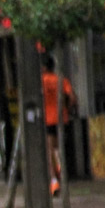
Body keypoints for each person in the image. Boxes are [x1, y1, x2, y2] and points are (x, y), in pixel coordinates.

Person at [42, 56, 75, 197]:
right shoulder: (62, 80)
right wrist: (66, 108)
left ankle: (54, 181)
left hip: (48, 119)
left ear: (43, 67)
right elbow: (72, 98)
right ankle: (62, 171)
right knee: (58, 148)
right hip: (62, 118)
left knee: (49, 151)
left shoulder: (42, 81)